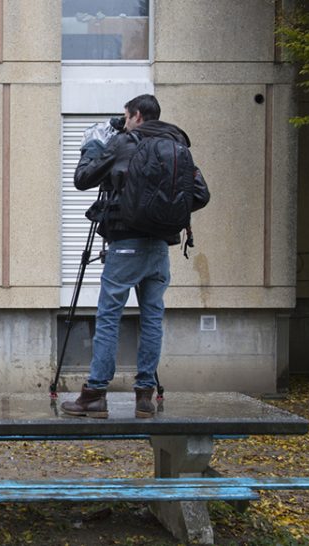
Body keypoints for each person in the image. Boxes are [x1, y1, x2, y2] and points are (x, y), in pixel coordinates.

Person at [61, 94, 210, 419]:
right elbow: (201, 194)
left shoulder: (126, 143)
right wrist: (161, 214)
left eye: (126, 116)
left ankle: (96, 393)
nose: (124, 121)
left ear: (138, 116)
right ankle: (145, 396)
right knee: (153, 317)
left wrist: (94, 145)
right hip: (160, 246)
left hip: (126, 242)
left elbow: (83, 179)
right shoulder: (177, 146)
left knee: (109, 316)